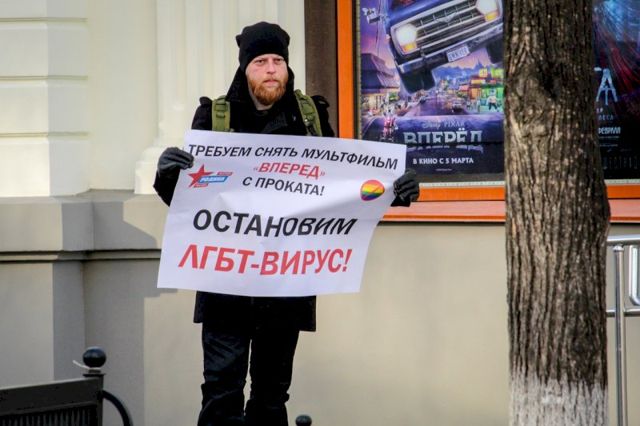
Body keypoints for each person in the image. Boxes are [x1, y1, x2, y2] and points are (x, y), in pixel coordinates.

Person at [153, 21, 419, 426]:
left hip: (284, 285)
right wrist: (167, 176)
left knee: (272, 395)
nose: (271, 69)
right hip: (226, 285)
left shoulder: (309, 118)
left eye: (278, 61)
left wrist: (391, 193)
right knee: (221, 391)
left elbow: (340, 191)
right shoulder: (214, 118)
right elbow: (191, 203)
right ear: (245, 69)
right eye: (260, 62)